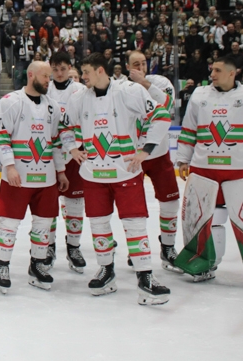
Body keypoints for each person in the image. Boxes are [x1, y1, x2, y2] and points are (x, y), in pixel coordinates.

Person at [61, 53, 172, 305]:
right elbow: (65, 126)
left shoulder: (129, 91)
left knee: (135, 224)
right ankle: (106, 270)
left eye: (86, 71)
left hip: (125, 172)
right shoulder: (78, 98)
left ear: (100, 70)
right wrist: (72, 148)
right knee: (99, 224)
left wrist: (146, 150)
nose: (82, 77)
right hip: (93, 175)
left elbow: (161, 116)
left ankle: (145, 276)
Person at [175, 54, 243, 285]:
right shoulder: (199, 95)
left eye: (217, 70)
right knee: (207, 218)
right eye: (212, 69)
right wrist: (183, 159)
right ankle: (206, 263)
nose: (212, 74)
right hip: (205, 168)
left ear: (232, 73)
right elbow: (189, 128)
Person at [0, 62, 68, 293]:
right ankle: (2, 266)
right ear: (31, 74)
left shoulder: (53, 107)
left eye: (50, 77)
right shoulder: (10, 102)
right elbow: (0, 136)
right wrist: (9, 166)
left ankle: (37, 265)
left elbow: (56, 142)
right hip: (18, 177)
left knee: (44, 224)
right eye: (45, 76)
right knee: (9, 223)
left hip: (46, 178)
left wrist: (61, 170)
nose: (48, 80)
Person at [125, 51, 181, 273]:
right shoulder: (121, 87)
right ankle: (136, 248)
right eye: (135, 64)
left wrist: (145, 84)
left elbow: (167, 107)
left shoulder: (161, 82)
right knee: (133, 206)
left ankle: (168, 247)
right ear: (127, 67)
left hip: (159, 154)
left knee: (170, 201)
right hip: (133, 157)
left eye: (143, 63)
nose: (140, 67)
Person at [46, 52, 88, 273]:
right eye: (55, 69)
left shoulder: (81, 91)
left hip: (75, 154)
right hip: (49, 155)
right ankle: (48, 246)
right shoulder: (45, 89)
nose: (59, 73)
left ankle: (73, 247)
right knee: (48, 204)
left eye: (63, 68)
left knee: (75, 203)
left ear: (70, 67)